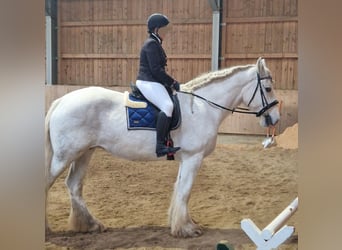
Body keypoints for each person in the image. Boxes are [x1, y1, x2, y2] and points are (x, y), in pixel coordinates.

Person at [136, 13, 181, 157]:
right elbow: (156, 70)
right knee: (168, 106)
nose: (166, 33)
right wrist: (172, 82)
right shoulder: (151, 44)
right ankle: (160, 146)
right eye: (164, 30)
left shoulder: (156, 43)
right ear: (156, 30)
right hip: (148, 81)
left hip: (152, 81)